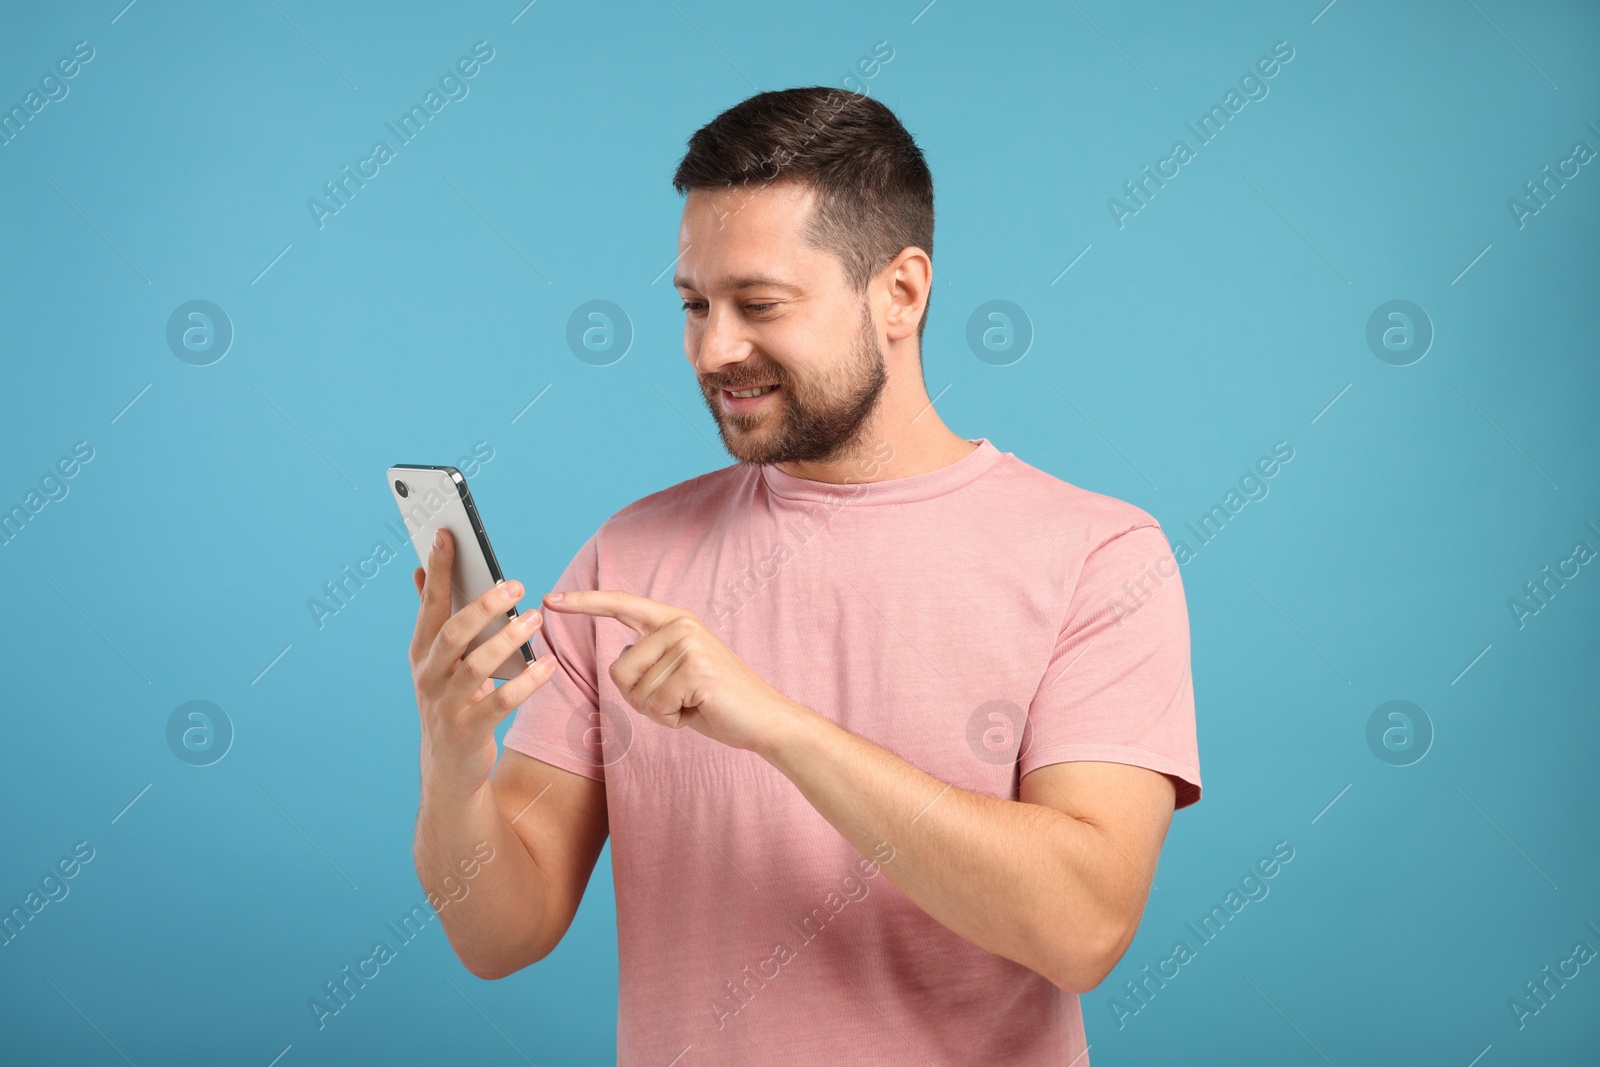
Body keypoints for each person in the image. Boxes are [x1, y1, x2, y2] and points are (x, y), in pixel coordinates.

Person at [407, 85, 1201, 1065]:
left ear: (900, 293)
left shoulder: (1098, 554)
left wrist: (777, 726)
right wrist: (451, 765)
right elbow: (499, 933)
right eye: (695, 305)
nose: (714, 349)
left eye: (759, 304)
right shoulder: (629, 555)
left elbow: (1082, 925)